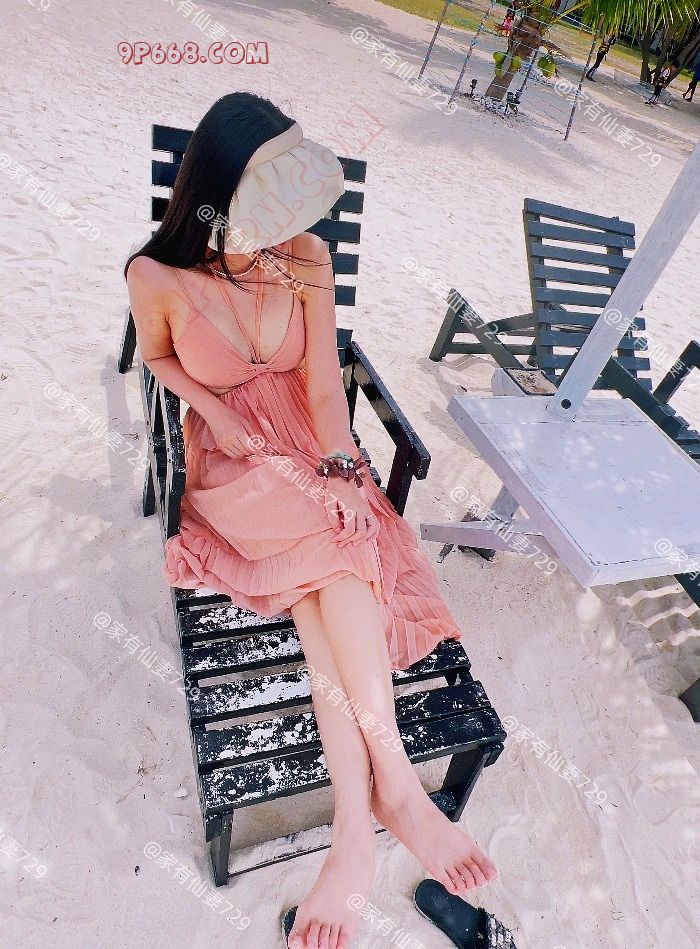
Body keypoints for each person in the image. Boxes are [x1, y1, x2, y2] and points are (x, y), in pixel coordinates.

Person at [125, 93, 497, 949]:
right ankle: (391, 791)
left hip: (313, 442)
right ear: (220, 191)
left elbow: (326, 387)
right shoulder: (157, 276)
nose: (289, 221)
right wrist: (210, 408)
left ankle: (360, 821)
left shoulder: (308, 257)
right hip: (236, 460)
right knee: (337, 552)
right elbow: (155, 357)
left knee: (332, 557)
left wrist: (338, 469)